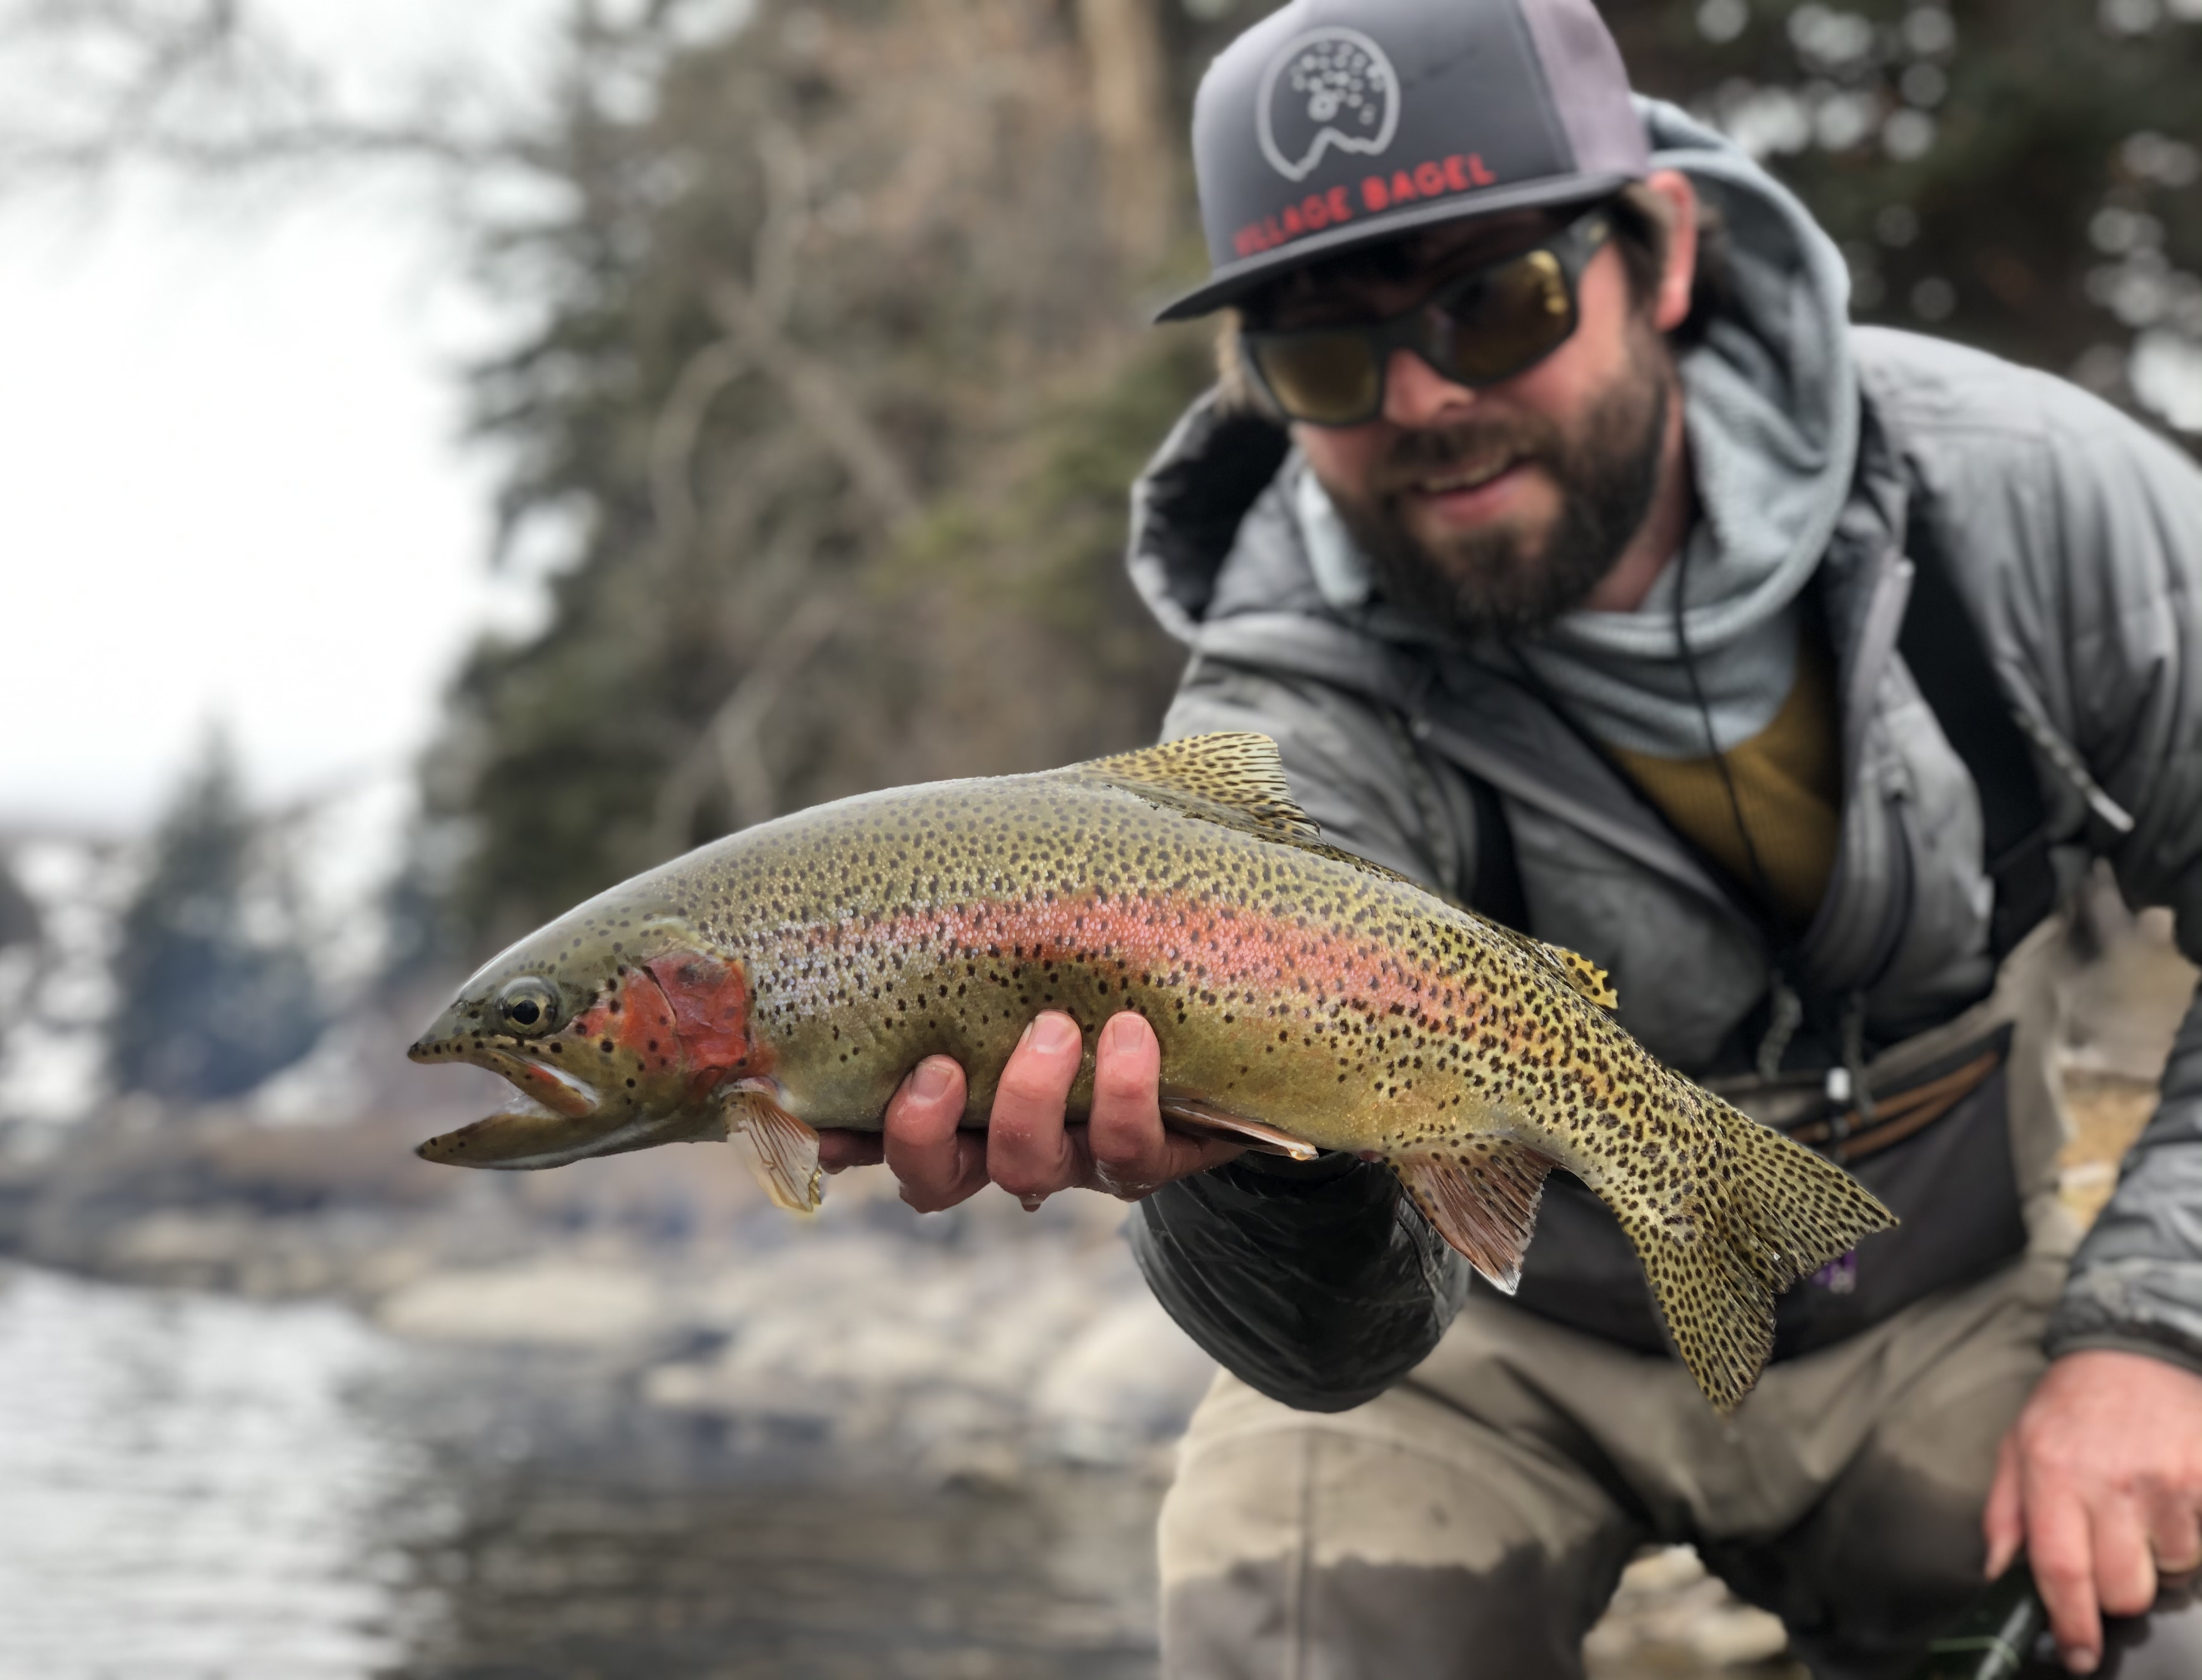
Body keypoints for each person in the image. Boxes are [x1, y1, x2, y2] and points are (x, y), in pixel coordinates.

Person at [818, 1, 2202, 1674]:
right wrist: (1257, 1175)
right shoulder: (1279, 706)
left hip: (1942, 1290)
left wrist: (2157, 1337)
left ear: (1663, 251)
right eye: (1327, 356)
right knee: (1285, 1620)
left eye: (1492, 302)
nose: (1419, 398)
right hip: (1486, 1336)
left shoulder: (2030, 500)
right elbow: (1334, 1347)